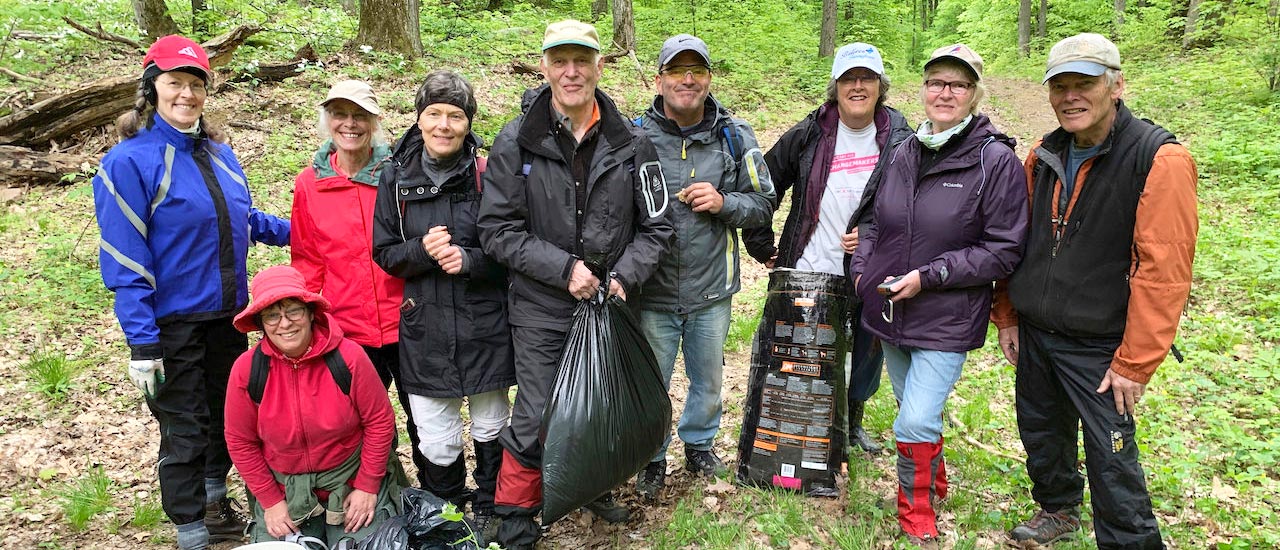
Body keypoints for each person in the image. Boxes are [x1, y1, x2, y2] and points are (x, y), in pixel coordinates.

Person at [477, 19, 673, 550]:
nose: (570, 72)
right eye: (559, 61)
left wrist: (624, 277)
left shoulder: (633, 142)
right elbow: (496, 230)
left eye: (581, 60)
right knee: (539, 409)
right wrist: (563, 270)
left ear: (598, 66)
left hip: (610, 305)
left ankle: (588, 485)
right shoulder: (517, 139)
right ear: (543, 67)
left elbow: (658, 228)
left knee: (599, 404)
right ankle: (515, 515)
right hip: (541, 303)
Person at [994, 33, 1197, 548]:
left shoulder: (1158, 159)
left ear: (1116, 84)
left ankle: (1129, 540)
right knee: (1041, 432)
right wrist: (1008, 313)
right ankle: (1057, 509)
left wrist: (1136, 361)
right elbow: (1017, 241)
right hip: (1038, 329)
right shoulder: (1043, 154)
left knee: (1111, 455)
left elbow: (1163, 269)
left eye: (1084, 83)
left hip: (1101, 342)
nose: (1070, 96)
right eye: (1059, 86)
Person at [91, 35, 290, 550]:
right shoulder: (128, 163)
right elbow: (125, 258)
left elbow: (242, 221)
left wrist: (308, 230)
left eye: (195, 84)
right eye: (174, 83)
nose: (186, 94)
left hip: (228, 316)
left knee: (229, 418)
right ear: (151, 88)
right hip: (170, 323)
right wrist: (142, 341)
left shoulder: (221, 155)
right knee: (184, 430)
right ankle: (190, 531)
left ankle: (212, 501)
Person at [849, 44, 1027, 547]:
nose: (945, 93)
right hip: (888, 307)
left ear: (974, 94)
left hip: (946, 314)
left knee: (915, 417)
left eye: (958, 85)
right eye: (936, 83)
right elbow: (873, 220)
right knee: (912, 405)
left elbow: (1004, 249)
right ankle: (937, 479)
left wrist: (930, 276)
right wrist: (864, 270)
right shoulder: (902, 151)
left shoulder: (996, 161)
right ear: (922, 89)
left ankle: (916, 511)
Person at [741, 42, 914, 457]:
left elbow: (915, 208)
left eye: (866, 78)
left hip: (872, 271)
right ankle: (800, 424)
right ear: (835, 86)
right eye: (848, 79)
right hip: (810, 266)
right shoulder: (809, 132)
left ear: (880, 86)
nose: (857, 86)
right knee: (802, 350)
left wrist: (875, 236)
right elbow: (763, 183)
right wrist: (763, 244)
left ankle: (851, 420)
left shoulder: (902, 139)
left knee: (869, 349)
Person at [371, 69, 515, 540]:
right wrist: (423, 253)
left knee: (492, 423)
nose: (444, 125)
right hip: (425, 326)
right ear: (419, 118)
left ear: (469, 123)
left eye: (455, 116)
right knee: (436, 434)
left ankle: (493, 509)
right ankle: (448, 516)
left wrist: (469, 260)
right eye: (434, 114)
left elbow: (511, 249)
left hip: (484, 323)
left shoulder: (487, 173)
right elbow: (385, 252)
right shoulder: (394, 176)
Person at [632, 33, 775, 500]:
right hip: (649, 291)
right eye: (677, 70)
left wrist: (723, 202)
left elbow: (764, 201)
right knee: (649, 384)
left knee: (708, 379)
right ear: (659, 80)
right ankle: (650, 458)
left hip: (712, 286)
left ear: (709, 79)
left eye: (696, 70)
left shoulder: (735, 135)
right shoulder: (632, 137)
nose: (687, 79)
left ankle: (699, 444)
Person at [290, 80, 433, 488]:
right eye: (340, 114)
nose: (349, 124)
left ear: (375, 122)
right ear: (327, 121)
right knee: (361, 423)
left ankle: (438, 499)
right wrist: (313, 324)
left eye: (359, 116)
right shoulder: (309, 184)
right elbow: (307, 260)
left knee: (424, 418)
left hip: (408, 321)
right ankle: (387, 495)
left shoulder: (401, 175)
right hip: (348, 330)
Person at [224, 265, 401, 545]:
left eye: (293, 310)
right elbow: (240, 441)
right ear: (260, 323)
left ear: (309, 312)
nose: (284, 323)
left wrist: (367, 486)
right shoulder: (247, 370)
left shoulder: (348, 358)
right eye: (272, 315)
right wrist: (270, 501)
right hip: (285, 488)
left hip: (349, 477)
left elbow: (379, 422)